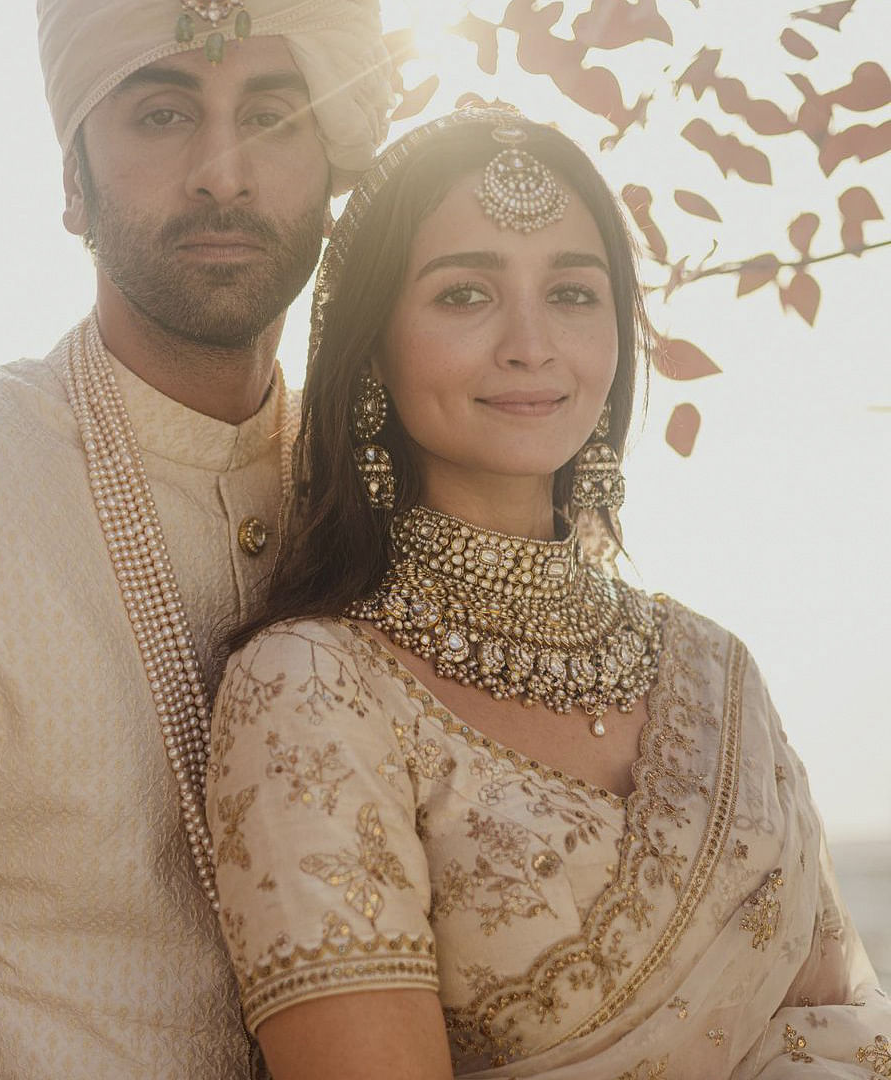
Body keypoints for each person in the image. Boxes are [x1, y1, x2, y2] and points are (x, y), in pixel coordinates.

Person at [206, 107, 891, 1080]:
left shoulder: (717, 670)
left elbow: (843, 1027)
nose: (531, 344)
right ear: (370, 350)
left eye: (573, 292)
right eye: (465, 295)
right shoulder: (309, 689)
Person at [0, 2, 391, 1078]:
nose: (224, 171)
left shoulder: (383, 495)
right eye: (163, 115)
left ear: (334, 169)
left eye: (273, 115)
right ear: (73, 182)